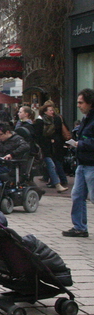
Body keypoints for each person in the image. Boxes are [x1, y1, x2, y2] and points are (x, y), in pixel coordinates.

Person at [62, 88, 94, 238]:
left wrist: (80, 144)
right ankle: (80, 227)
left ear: (90, 103)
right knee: (77, 195)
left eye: (81, 103)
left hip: (91, 164)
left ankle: (80, 226)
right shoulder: (86, 119)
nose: (78, 105)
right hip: (82, 163)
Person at [34, 102, 68, 192]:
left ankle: (57, 184)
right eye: (50, 110)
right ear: (45, 112)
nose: (52, 112)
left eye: (52, 110)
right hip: (43, 148)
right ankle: (57, 184)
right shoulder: (40, 121)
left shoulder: (53, 120)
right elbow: (38, 136)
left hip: (50, 147)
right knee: (51, 165)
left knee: (52, 165)